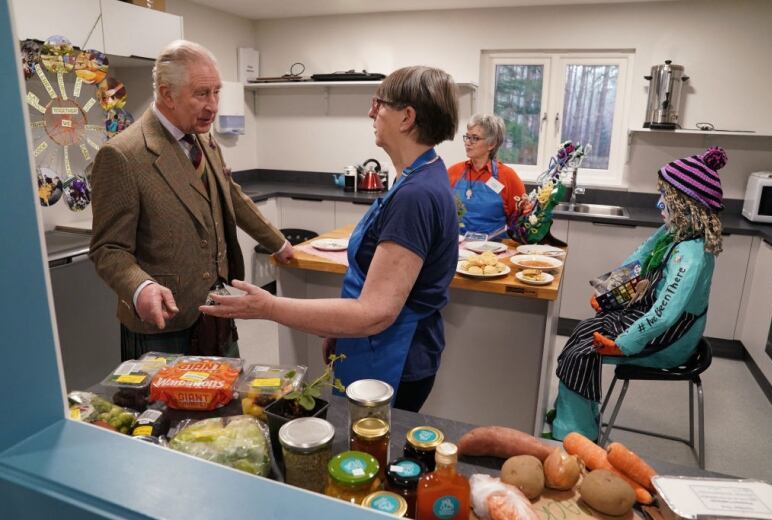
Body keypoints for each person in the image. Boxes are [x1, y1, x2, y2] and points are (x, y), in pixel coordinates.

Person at [201, 66, 460, 412]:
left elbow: (374, 313)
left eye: (379, 103)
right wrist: (340, 330)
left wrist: (270, 307)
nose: (371, 111)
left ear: (407, 117)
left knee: (369, 454)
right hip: (375, 345)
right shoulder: (418, 176)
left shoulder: (415, 195)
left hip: (393, 358)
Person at [89, 40, 293, 361]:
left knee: (227, 401)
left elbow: (231, 196)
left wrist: (279, 244)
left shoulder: (205, 140)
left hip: (216, 311)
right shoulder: (122, 156)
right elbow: (108, 249)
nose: (213, 105)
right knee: (166, 411)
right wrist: (141, 288)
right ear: (167, 93)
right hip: (164, 324)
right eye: (201, 94)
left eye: (216, 92)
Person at [550, 147, 728, 441]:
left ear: (686, 205)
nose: (660, 202)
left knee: (583, 352)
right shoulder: (673, 233)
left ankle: (574, 436)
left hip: (672, 337)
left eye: (666, 197)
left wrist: (624, 344)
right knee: (582, 330)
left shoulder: (692, 256)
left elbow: (666, 313)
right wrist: (607, 295)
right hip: (652, 319)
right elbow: (639, 259)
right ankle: (576, 418)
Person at [448, 114, 526, 237]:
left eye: (475, 138)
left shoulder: (508, 177)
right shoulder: (453, 172)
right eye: (467, 137)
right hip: (459, 251)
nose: (468, 143)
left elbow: (520, 222)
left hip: (494, 251)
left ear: (491, 144)